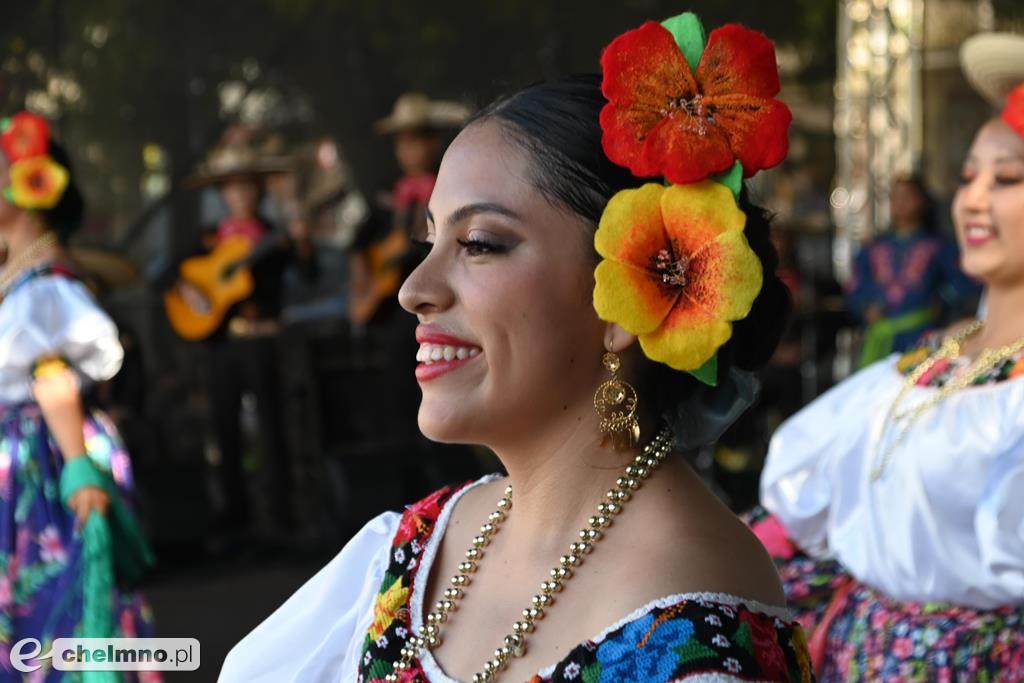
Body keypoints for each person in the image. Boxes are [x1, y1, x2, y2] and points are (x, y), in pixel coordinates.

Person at [221, 11, 812, 682]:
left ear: (634, 289)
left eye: (478, 244)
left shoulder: (692, 641)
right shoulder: (415, 546)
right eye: (430, 240)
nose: (414, 288)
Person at [752, 31, 1024, 682]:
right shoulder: (924, 366)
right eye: (968, 175)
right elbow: (794, 515)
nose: (975, 198)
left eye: (1008, 177)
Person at [0, 111, 158, 680]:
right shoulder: (23, 277)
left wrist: (78, 471)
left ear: (26, 186)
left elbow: (52, 375)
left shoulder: (44, 285)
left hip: (47, 461)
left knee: (59, 603)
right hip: (28, 461)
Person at [166, 138, 316, 537]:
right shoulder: (207, 239)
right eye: (231, 186)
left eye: (247, 184)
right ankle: (236, 522)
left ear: (259, 189)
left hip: (262, 342)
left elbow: (309, 274)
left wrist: (302, 243)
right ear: (222, 192)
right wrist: (195, 293)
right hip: (220, 347)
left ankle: (281, 520)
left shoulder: (273, 235)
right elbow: (169, 277)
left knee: (272, 430)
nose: (240, 193)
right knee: (224, 432)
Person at [845, 175, 980, 367]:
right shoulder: (872, 248)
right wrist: (865, 307)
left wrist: (940, 304)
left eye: (907, 196)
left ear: (922, 201)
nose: (901, 202)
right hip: (880, 337)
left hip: (921, 338)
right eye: (895, 196)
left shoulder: (939, 247)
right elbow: (855, 286)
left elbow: (963, 286)